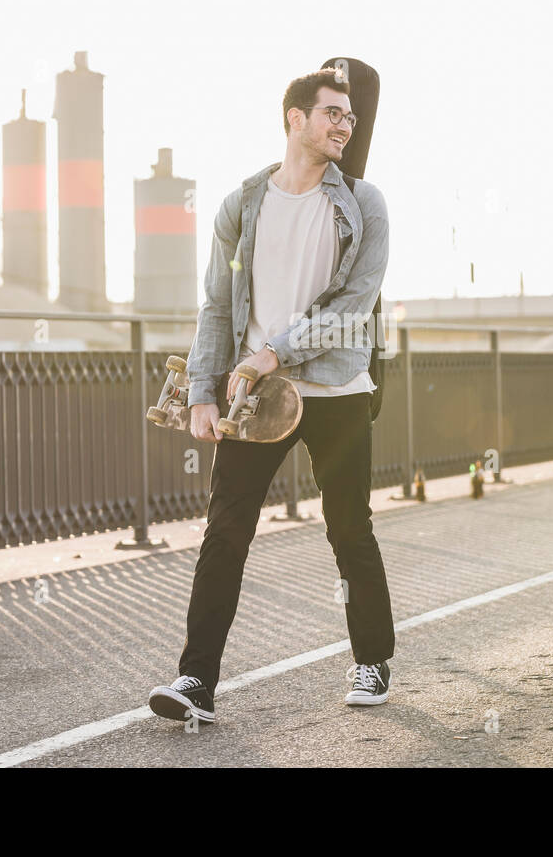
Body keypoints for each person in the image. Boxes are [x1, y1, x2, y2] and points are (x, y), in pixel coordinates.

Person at [148, 68, 395, 724]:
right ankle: (195, 680)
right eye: (332, 114)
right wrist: (203, 390)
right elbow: (217, 303)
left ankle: (372, 660)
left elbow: (353, 309)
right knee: (225, 533)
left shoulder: (364, 205)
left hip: (337, 389)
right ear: (294, 118)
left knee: (349, 531)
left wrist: (272, 352)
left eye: (350, 116)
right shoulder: (243, 204)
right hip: (254, 398)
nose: (345, 124)